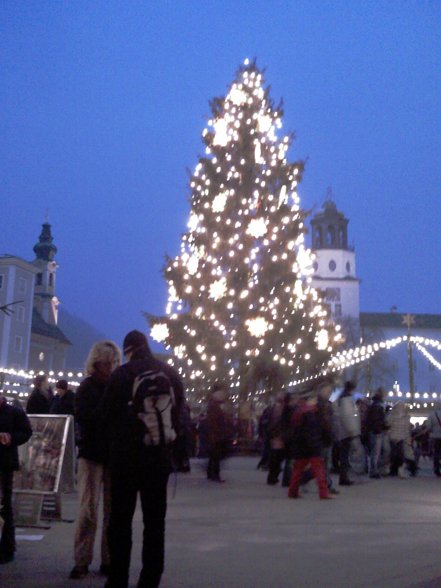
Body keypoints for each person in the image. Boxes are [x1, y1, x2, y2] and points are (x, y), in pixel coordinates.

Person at [100, 330, 185, 588]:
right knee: (155, 523)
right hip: (158, 459)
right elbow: (179, 413)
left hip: (125, 460)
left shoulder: (121, 375)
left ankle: (118, 578)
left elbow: (105, 416)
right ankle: (150, 579)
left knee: (121, 522)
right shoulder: (170, 373)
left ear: (128, 350)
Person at [69, 341, 121, 580]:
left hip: (112, 456)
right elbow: (85, 418)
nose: (110, 368)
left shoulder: (116, 386)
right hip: (90, 455)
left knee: (112, 512)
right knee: (87, 510)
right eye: (106, 363)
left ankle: (108, 559)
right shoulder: (86, 388)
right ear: (97, 363)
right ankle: (81, 560)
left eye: (113, 363)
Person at [0, 393, 32, 564]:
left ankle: (6, 548)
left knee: (4, 507)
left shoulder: (14, 412)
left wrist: (11, 438)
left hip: (4, 464)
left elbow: (27, 432)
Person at [287, 387, 330, 500]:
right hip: (313, 446)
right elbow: (314, 431)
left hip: (300, 446)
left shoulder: (298, 412)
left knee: (297, 470)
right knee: (319, 470)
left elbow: (295, 430)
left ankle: (293, 491)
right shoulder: (312, 413)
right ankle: (323, 493)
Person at [206, 383, 232, 483]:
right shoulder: (215, 407)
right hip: (216, 435)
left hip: (214, 434)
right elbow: (216, 422)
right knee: (215, 455)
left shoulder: (212, 405)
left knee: (213, 455)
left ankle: (211, 473)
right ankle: (215, 475)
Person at [336, 380, 360, 486]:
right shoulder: (347, 399)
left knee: (344, 455)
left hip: (343, 431)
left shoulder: (342, 398)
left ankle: (344, 476)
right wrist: (353, 431)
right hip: (347, 432)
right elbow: (348, 416)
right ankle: (344, 477)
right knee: (345, 456)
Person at [366, 387, 388, 479]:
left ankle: (373, 470)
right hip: (377, 431)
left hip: (373, 430)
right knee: (376, 452)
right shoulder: (378, 405)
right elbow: (378, 420)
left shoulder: (373, 404)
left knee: (374, 452)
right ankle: (374, 470)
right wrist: (382, 427)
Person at [423, 403, 441, 477]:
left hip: (436, 436)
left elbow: (429, 426)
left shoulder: (432, 414)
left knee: (436, 453)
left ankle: (436, 469)